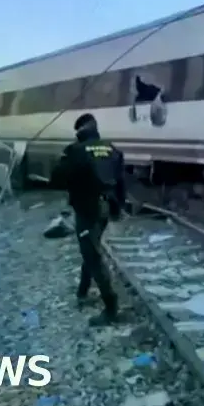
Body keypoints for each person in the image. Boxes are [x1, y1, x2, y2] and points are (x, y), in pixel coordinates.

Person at [50, 113, 127, 326]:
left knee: (92, 254)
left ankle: (111, 308)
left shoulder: (76, 151)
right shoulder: (112, 149)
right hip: (106, 209)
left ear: (79, 132)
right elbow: (121, 182)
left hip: (87, 208)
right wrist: (119, 208)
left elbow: (55, 180)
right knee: (91, 246)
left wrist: (63, 160)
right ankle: (82, 291)